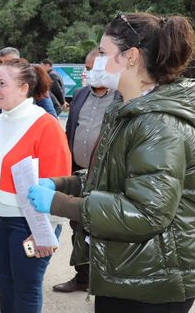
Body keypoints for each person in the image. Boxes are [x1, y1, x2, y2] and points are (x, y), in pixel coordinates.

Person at [28, 12, 195, 312]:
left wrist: (61, 204)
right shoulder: (126, 110)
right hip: (128, 270)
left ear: (130, 57)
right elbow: (110, 179)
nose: (96, 61)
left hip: (153, 281)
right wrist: (61, 184)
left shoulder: (157, 123)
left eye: (104, 53)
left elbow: (147, 213)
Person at [0, 59, 71, 313]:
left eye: (1, 84)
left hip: (29, 223)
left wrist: (45, 230)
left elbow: (60, 181)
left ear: (23, 88)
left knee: (26, 289)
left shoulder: (46, 125)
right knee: (5, 283)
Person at [51, 48, 117, 294]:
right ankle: (82, 276)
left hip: (108, 178)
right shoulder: (79, 95)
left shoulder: (122, 97)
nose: (90, 73)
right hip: (80, 176)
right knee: (77, 227)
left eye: (95, 68)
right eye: (87, 68)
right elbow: (70, 131)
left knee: (104, 230)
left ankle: (106, 281)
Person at [0, 47, 57, 161]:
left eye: (8, 62)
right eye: (0, 62)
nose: (3, 65)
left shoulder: (35, 87)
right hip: (0, 144)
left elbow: (51, 118)